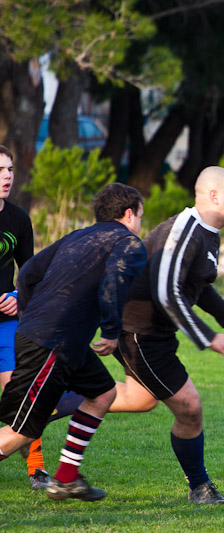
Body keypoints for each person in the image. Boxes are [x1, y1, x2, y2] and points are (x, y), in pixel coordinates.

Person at [104, 166, 224, 505]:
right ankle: (200, 487)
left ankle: (60, 397)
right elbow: (167, 293)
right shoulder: (184, 231)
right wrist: (210, 338)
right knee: (190, 406)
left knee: (140, 400)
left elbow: (196, 284)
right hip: (139, 332)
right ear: (213, 196)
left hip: (151, 333)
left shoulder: (206, 231)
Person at [0, 182, 146, 501]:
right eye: (140, 217)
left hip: (60, 340)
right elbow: (114, 282)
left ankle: (66, 478)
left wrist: (29, 313)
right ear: (129, 213)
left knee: (103, 393)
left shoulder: (78, 236)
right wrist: (111, 332)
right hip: (52, 342)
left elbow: (28, 273)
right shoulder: (129, 244)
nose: (139, 225)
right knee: (20, 432)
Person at [0, 145, 49, 489]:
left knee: (20, 394)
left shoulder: (19, 219)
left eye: (10, 169)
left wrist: (18, 297)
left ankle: (37, 468)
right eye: (0, 170)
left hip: (6, 325)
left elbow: (30, 274)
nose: (7, 176)